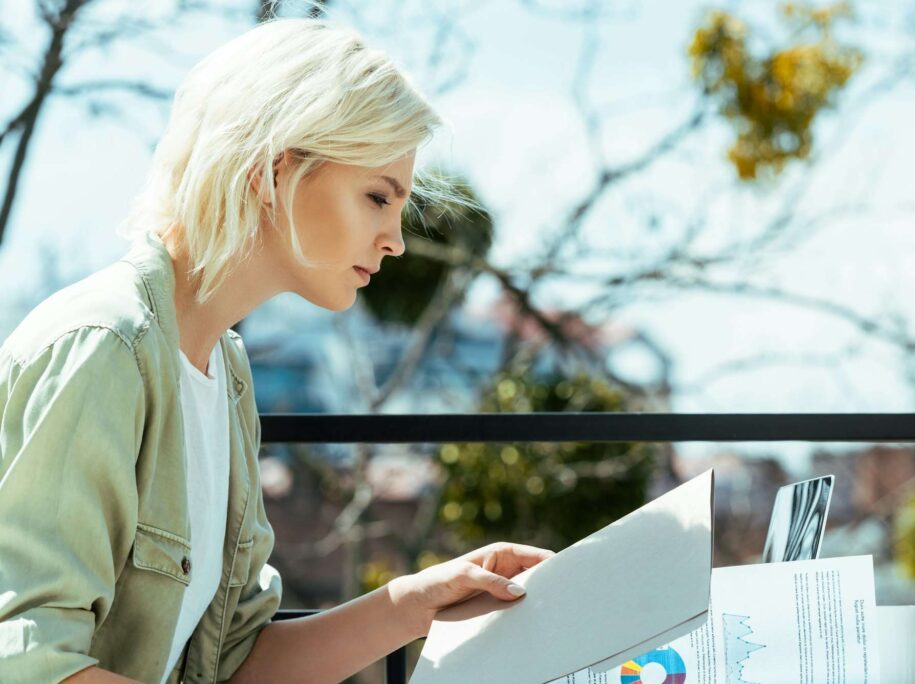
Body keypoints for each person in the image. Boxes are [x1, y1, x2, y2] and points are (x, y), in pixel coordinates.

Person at [0, 16, 553, 684]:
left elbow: (234, 662)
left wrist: (418, 602)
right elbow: (29, 667)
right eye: (377, 196)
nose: (394, 239)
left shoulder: (222, 372)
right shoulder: (105, 349)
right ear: (273, 171)